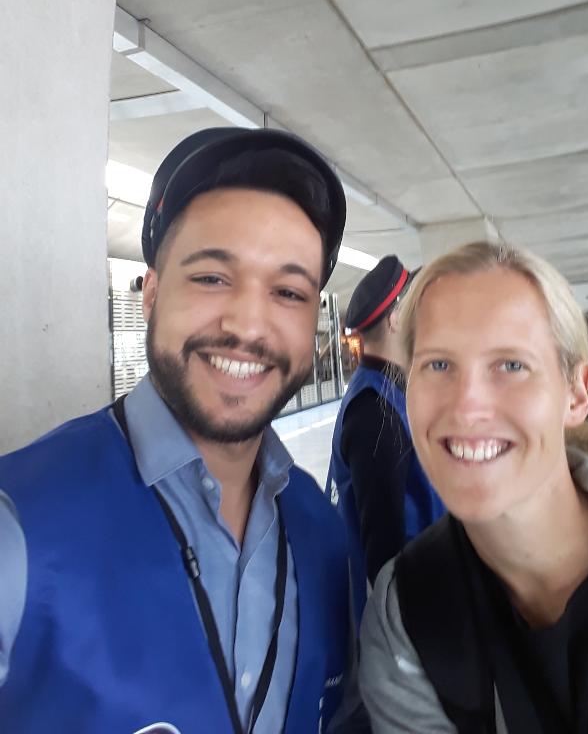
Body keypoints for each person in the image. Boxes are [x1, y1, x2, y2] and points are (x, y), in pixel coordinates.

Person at [0, 128, 368, 734]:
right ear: (151, 295)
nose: (248, 325)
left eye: (288, 291)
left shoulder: (322, 536)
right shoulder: (19, 526)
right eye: (212, 278)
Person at [359, 241, 588, 734]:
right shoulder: (406, 616)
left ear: (576, 393)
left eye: (511, 365)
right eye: (438, 365)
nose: (467, 408)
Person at [326, 256, 443, 626]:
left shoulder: (391, 390)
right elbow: (383, 547)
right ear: (395, 319)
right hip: (407, 616)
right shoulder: (374, 411)